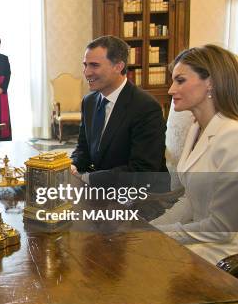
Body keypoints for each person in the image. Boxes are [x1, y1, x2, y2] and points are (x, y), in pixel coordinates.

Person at [151, 45, 238, 264]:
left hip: (231, 260)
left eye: (180, 80)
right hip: (201, 248)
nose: (171, 90)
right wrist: (148, 229)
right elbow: (190, 201)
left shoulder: (237, 137)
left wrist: (159, 236)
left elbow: (222, 228)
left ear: (211, 82)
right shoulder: (196, 128)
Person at [70, 35, 168, 189]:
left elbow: (142, 171)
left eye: (94, 65)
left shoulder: (146, 107)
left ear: (118, 66)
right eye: (85, 65)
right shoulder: (88, 102)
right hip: (102, 191)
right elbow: (83, 149)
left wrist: (89, 178)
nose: (86, 72)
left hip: (141, 197)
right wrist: (74, 165)